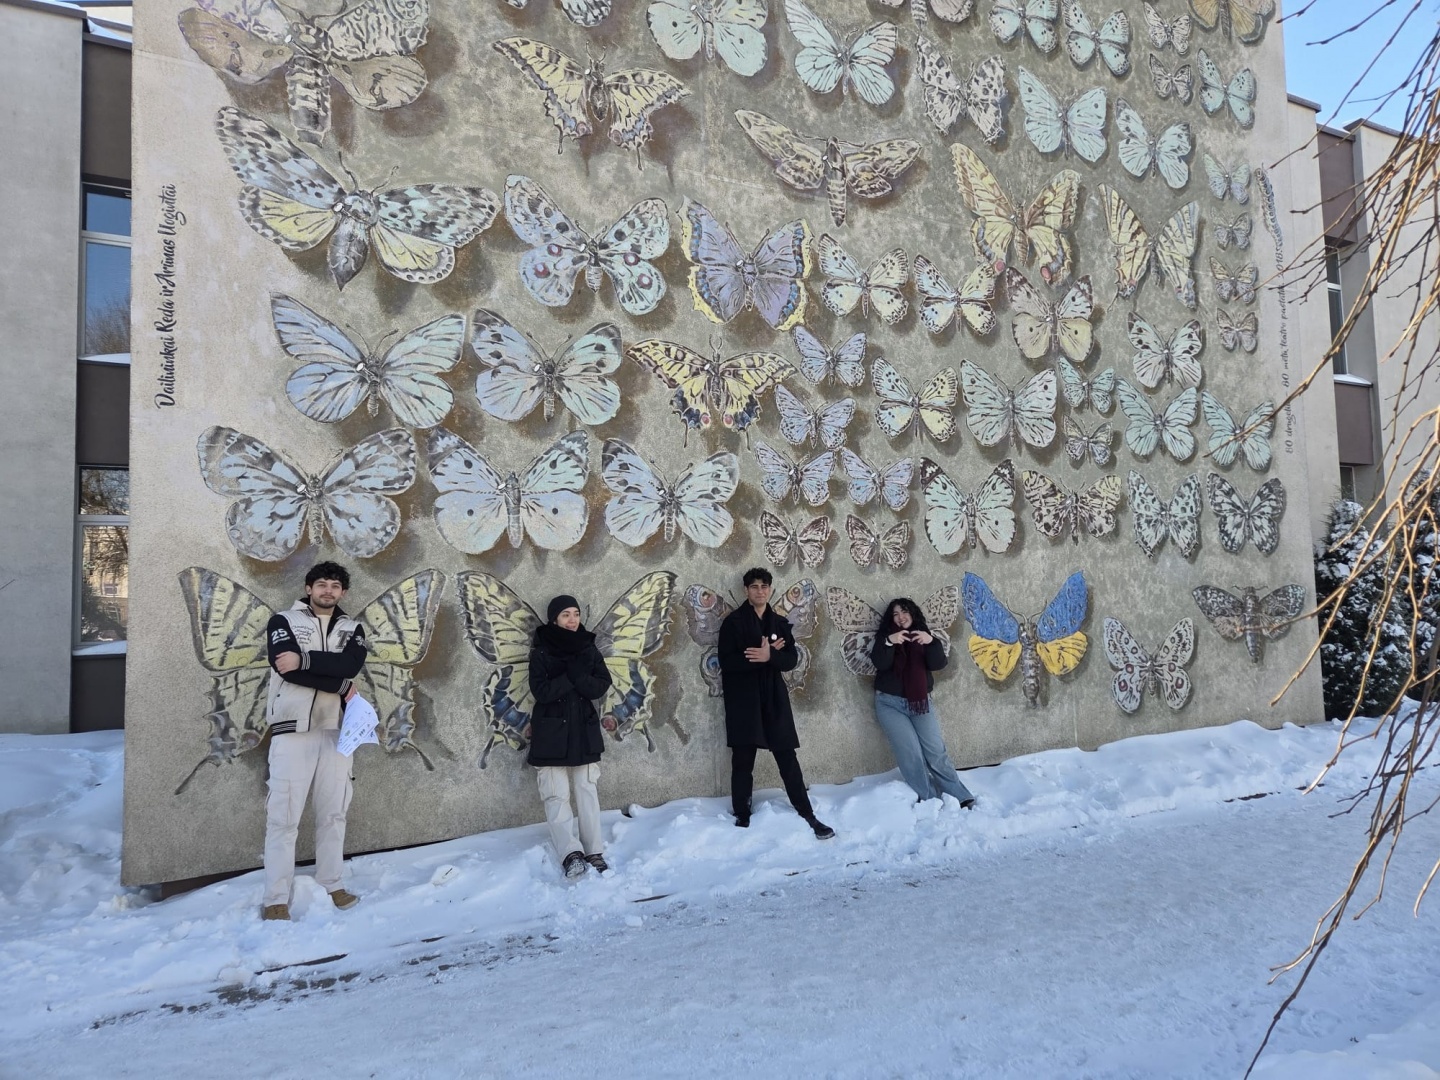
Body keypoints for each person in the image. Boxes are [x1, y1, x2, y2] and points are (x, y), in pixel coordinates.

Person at [262, 561, 370, 920]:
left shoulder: (352, 628)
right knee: (283, 817)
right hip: (292, 731)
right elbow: (286, 669)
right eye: (322, 584)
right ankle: (276, 898)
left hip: (337, 732)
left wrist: (305, 660)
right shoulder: (283, 621)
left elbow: (349, 666)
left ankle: (332, 883)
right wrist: (340, 684)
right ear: (309, 588)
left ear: (343, 592)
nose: (328, 591)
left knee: (334, 813)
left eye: (335, 586)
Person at [719, 568, 835, 839]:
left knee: (787, 756)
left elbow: (791, 660)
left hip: (774, 697)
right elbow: (727, 662)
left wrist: (770, 655)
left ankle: (806, 811)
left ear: (770, 589)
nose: (760, 591)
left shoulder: (780, 623)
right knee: (743, 758)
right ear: (746, 590)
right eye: (754, 586)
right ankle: (742, 814)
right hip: (744, 700)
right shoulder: (733, 623)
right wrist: (759, 658)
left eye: (764, 586)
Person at [528, 594, 614, 879]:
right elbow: (542, 692)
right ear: (554, 619)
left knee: (587, 790)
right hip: (551, 731)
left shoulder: (588, 648)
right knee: (556, 794)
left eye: (575, 613)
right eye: (565, 614)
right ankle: (570, 854)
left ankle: (594, 851)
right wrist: (571, 677)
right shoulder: (541, 651)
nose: (572, 619)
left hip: (583, 730)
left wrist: (579, 677)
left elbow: (601, 684)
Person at [870, 597, 976, 808]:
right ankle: (930, 798)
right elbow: (880, 663)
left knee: (935, 751)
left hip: (920, 703)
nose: (901, 617)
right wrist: (890, 642)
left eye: (905, 612)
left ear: (913, 614)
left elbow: (938, 664)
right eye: (896, 614)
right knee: (910, 753)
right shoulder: (885, 637)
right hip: (889, 704)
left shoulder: (924, 635)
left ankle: (959, 795)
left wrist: (931, 642)